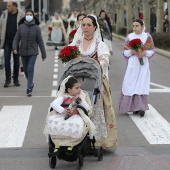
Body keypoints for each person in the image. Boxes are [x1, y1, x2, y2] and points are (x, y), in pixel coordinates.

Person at [69, 14, 117, 149]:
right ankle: (73, 135)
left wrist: (98, 62)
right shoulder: (76, 43)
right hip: (77, 81)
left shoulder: (99, 44)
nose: (85, 27)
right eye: (83, 25)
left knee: (95, 106)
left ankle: (96, 139)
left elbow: (105, 59)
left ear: (94, 27)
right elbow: (68, 55)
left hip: (94, 80)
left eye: (88, 25)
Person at [44, 76, 95, 155]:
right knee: (57, 124)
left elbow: (86, 107)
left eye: (79, 88)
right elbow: (54, 104)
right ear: (69, 90)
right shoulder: (63, 97)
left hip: (75, 117)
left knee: (76, 125)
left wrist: (79, 101)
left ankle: (71, 146)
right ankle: (57, 145)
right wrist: (62, 110)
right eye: (77, 88)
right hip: (62, 116)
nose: (79, 90)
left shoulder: (81, 97)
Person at [119, 19, 155, 117]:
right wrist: (131, 52)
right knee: (131, 83)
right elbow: (125, 51)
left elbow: (152, 50)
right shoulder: (129, 37)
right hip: (133, 64)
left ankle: (141, 107)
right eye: (133, 26)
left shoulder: (147, 36)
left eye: (137, 26)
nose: (135, 28)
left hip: (143, 64)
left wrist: (144, 53)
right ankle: (133, 107)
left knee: (141, 83)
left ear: (142, 26)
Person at [13, 9, 46, 96]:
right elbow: (16, 38)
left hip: (33, 52)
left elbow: (40, 42)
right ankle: (31, 83)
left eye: (30, 14)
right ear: (25, 16)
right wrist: (15, 48)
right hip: (23, 51)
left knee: (30, 68)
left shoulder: (36, 28)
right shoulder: (21, 27)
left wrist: (43, 54)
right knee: (26, 70)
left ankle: (29, 88)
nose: (28, 16)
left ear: (33, 16)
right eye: (27, 14)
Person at [0, 0, 24, 87]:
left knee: (16, 61)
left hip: (17, 42)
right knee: (6, 61)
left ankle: (16, 79)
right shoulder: (4, 14)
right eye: (7, 6)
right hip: (7, 41)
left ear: (14, 6)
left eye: (9, 6)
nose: (7, 8)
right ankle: (7, 80)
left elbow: (24, 27)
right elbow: (0, 26)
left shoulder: (21, 14)